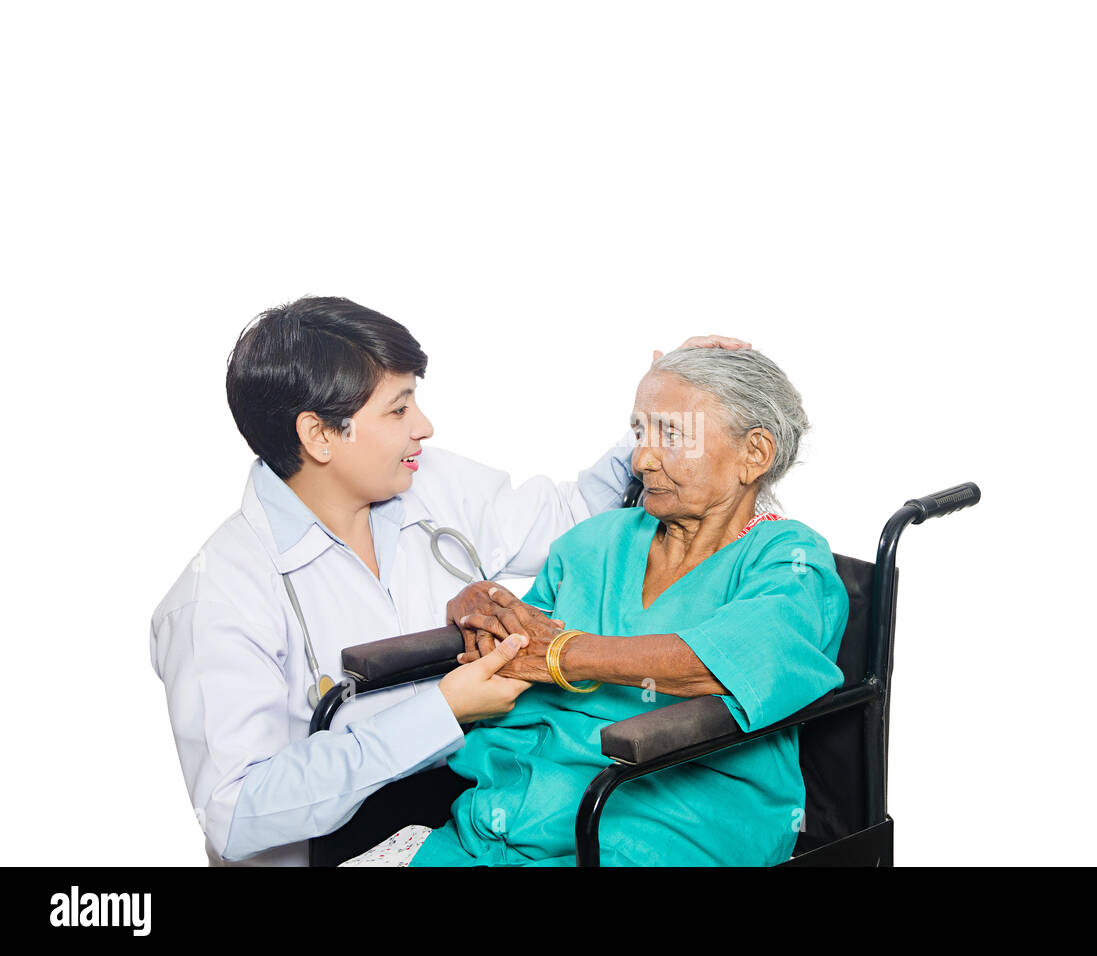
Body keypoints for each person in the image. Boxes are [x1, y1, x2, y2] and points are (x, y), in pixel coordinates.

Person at [149, 295, 747, 865]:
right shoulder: (216, 598)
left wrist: (660, 418)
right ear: (319, 435)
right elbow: (235, 813)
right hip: (331, 851)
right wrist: (441, 711)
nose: (425, 427)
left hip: (463, 813)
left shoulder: (423, 480)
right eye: (399, 408)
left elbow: (573, 517)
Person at [355, 345, 849, 866]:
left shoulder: (789, 560)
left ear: (755, 454)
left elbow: (732, 664)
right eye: (640, 433)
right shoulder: (596, 541)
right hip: (508, 809)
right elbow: (518, 644)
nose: (642, 460)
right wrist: (481, 607)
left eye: (671, 435)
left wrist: (562, 655)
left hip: (667, 821)